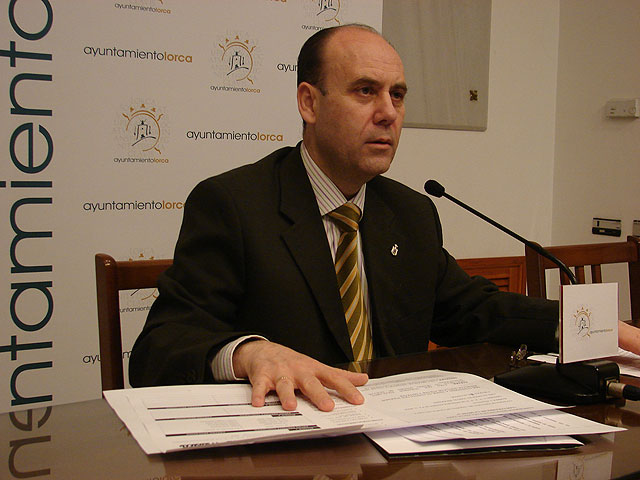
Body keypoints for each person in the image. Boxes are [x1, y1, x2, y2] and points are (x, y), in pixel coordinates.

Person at [129, 24, 640, 412]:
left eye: (397, 94)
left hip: (398, 440)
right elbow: (160, 347)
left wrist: (593, 326)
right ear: (309, 102)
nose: (389, 113)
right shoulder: (234, 204)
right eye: (365, 91)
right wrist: (249, 353)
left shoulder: (410, 212)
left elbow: (471, 309)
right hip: (293, 443)